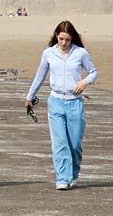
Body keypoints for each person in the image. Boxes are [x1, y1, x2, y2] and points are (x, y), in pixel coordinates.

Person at [25, 20, 98, 191]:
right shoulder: (48, 53)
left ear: (72, 39)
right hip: (56, 102)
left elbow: (94, 72)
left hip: (75, 103)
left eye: (67, 40)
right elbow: (40, 76)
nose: (64, 43)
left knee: (74, 144)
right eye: (61, 39)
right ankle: (62, 178)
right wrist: (30, 96)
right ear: (56, 37)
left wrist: (84, 82)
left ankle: (73, 174)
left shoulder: (80, 53)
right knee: (60, 143)